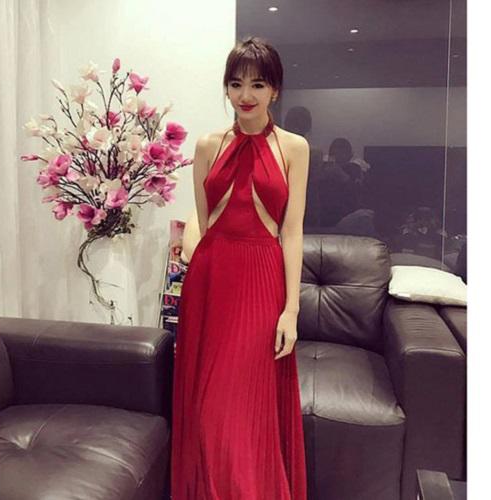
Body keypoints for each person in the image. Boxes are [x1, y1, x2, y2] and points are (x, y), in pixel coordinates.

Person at [171, 36, 310, 499]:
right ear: (226, 88)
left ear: (275, 90)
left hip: (262, 279)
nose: (245, 95)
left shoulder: (294, 148)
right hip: (211, 282)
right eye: (235, 84)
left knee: (243, 408)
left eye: (257, 84)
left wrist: (291, 310)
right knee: (207, 409)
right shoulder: (207, 145)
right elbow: (204, 220)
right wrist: (192, 257)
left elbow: (292, 231)